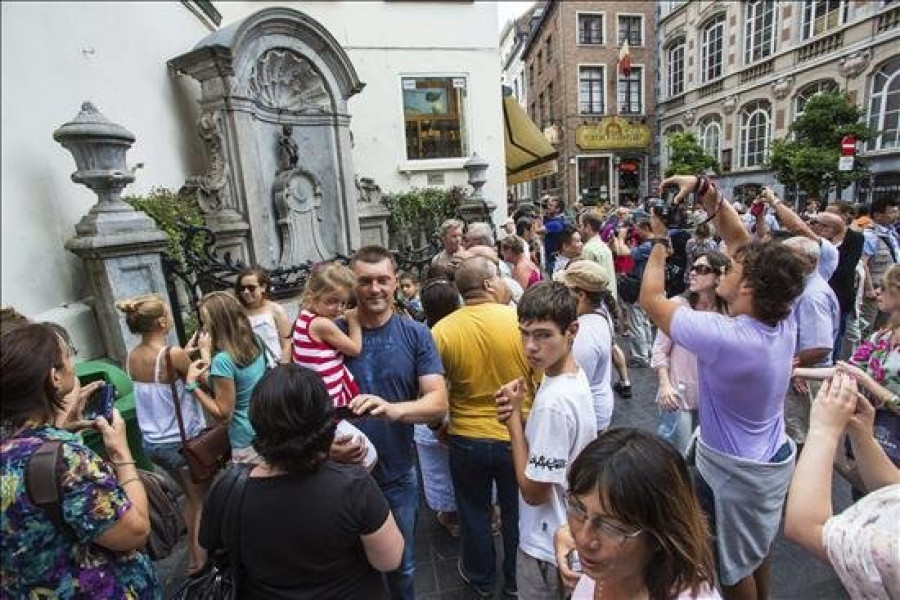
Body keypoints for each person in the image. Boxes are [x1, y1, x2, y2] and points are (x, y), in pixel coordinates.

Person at [640, 174, 806, 600]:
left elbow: (652, 301)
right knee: (757, 547)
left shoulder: (726, 337)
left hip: (735, 473)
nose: (725, 264)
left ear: (748, 285)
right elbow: (738, 239)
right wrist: (704, 191)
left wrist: (660, 242)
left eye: (731, 267)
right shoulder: (782, 316)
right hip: (771, 459)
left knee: (729, 567)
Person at [200, 365, 404, 599]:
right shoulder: (353, 487)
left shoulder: (228, 489)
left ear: (257, 421)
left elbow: (209, 549)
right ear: (325, 420)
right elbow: (389, 559)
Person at [1, 323, 157, 598]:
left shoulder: (12, 449)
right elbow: (134, 532)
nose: (73, 363)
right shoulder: (68, 461)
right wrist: (121, 453)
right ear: (54, 377)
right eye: (68, 355)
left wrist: (60, 430)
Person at [338, 246, 448, 600]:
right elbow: (302, 404)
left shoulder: (415, 334)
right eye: (365, 281)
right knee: (348, 572)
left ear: (395, 282)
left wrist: (392, 410)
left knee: (402, 567)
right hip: (338, 478)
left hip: (396, 475)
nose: (374, 289)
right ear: (351, 284)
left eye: (382, 280)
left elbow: (437, 404)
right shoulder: (331, 334)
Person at [432, 256, 533, 598]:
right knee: (517, 513)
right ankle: (517, 580)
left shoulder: (442, 330)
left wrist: (438, 427)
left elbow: (433, 390)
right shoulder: (520, 322)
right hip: (516, 434)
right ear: (490, 285)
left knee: (473, 512)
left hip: (466, 436)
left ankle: (481, 578)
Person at [496, 282, 596, 600]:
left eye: (543, 334)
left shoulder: (554, 402)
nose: (530, 346)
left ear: (572, 331)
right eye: (524, 333)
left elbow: (533, 492)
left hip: (546, 546)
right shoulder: (569, 376)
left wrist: (512, 420)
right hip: (565, 533)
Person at [556, 429, 719, 599]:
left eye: (611, 527)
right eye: (578, 508)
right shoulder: (593, 563)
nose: (583, 540)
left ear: (660, 535)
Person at [784, 372, 899, 598]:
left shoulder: (890, 550)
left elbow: (805, 528)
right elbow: (894, 490)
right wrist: (862, 435)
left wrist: (823, 431)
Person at [116, 294, 209, 574]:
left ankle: (193, 552)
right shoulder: (172, 355)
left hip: (152, 442)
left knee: (189, 496)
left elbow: (165, 374)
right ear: (161, 321)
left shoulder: (132, 355)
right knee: (198, 499)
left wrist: (184, 352)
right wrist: (203, 354)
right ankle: (197, 561)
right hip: (179, 441)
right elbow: (196, 377)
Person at [651, 251, 730, 455]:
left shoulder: (728, 311)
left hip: (714, 398)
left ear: (719, 276)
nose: (693, 273)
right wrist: (664, 384)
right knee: (676, 451)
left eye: (702, 269)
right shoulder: (678, 306)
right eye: (693, 268)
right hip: (679, 393)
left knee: (708, 454)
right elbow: (660, 348)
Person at [189, 291, 267, 464]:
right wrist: (205, 358)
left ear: (217, 324)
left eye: (205, 321)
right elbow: (231, 386)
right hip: (265, 427)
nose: (204, 327)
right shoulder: (256, 341)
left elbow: (224, 414)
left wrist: (192, 385)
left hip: (245, 439)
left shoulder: (223, 360)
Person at [417, 277, 462, 537]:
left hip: (431, 416)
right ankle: (486, 512)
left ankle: (451, 516)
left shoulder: (420, 334)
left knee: (440, 472)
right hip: (461, 415)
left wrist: (435, 425)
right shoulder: (458, 331)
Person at [292, 262, 362, 408]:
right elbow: (355, 349)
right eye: (331, 301)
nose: (338, 309)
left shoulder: (304, 316)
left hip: (311, 395)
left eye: (343, 303)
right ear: (312, 297)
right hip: (328, 398)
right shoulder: (322, 324)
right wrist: (354, 319)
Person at [560, 261, 617, 433]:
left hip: (588, 417)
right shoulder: (600, 310)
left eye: (566, 290)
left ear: (581, 295)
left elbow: (575, 385)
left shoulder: (584, 334)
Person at [235, 267, 293, 365]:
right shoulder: (238, 312)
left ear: (263, 287)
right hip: (250, 370)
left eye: (251, 288)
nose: (246, 292)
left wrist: (284, 369)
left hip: (275, 368)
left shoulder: (276, 310)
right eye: (242, 288)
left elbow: (287, 344)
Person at [861, 197, 899, 336]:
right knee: (868, 327)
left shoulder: (892, 234)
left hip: (890, 289)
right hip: (875, 289)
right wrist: (869, 289)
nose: (896, 216)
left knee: (885, 328)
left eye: (896, 212)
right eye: (891, 213)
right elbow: (863, 263)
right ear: (878, 215)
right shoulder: (870, 235)